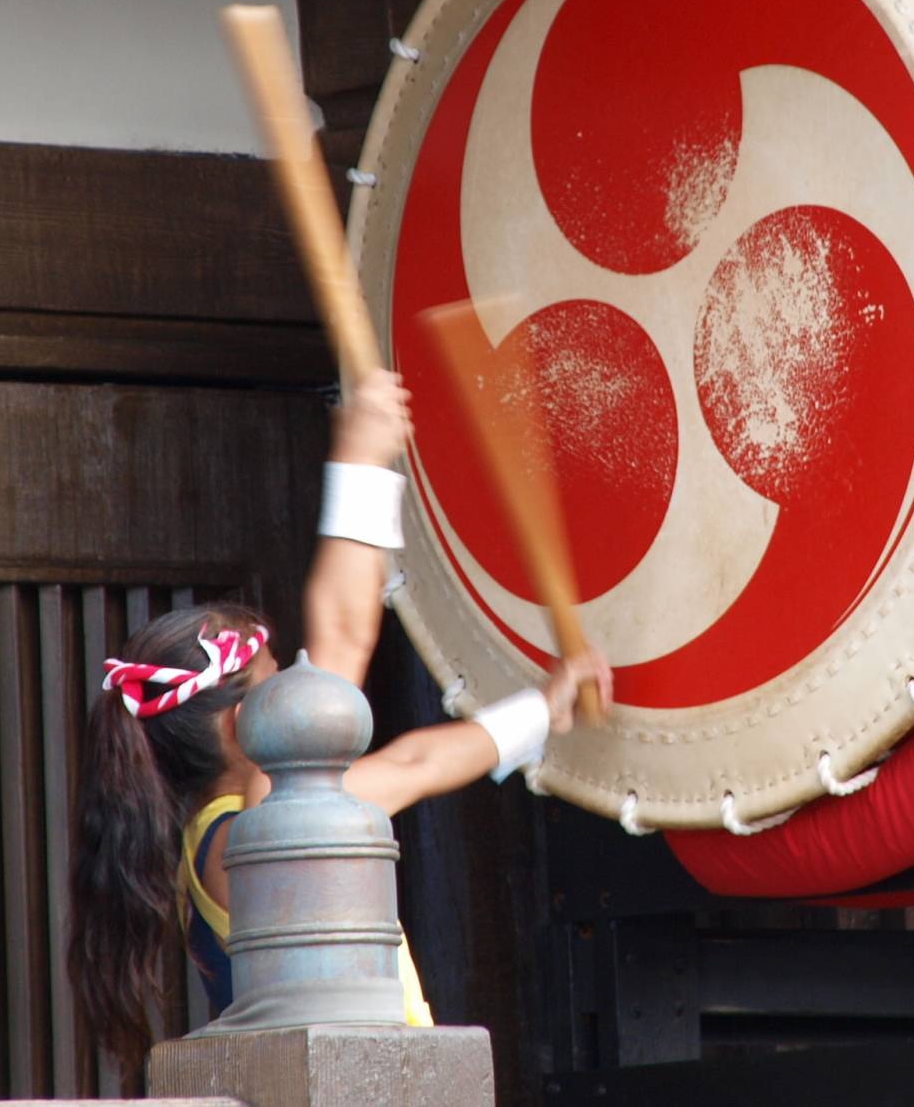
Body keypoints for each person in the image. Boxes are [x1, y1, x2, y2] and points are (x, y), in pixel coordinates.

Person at [67, 369, 611, 1072]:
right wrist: (361, 460)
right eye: (278, 684)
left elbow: (415, 765)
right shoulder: (248, 835)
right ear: (243, 726)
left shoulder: (260, 825)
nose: (303, 691)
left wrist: (541, 709)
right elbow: (345, 639)